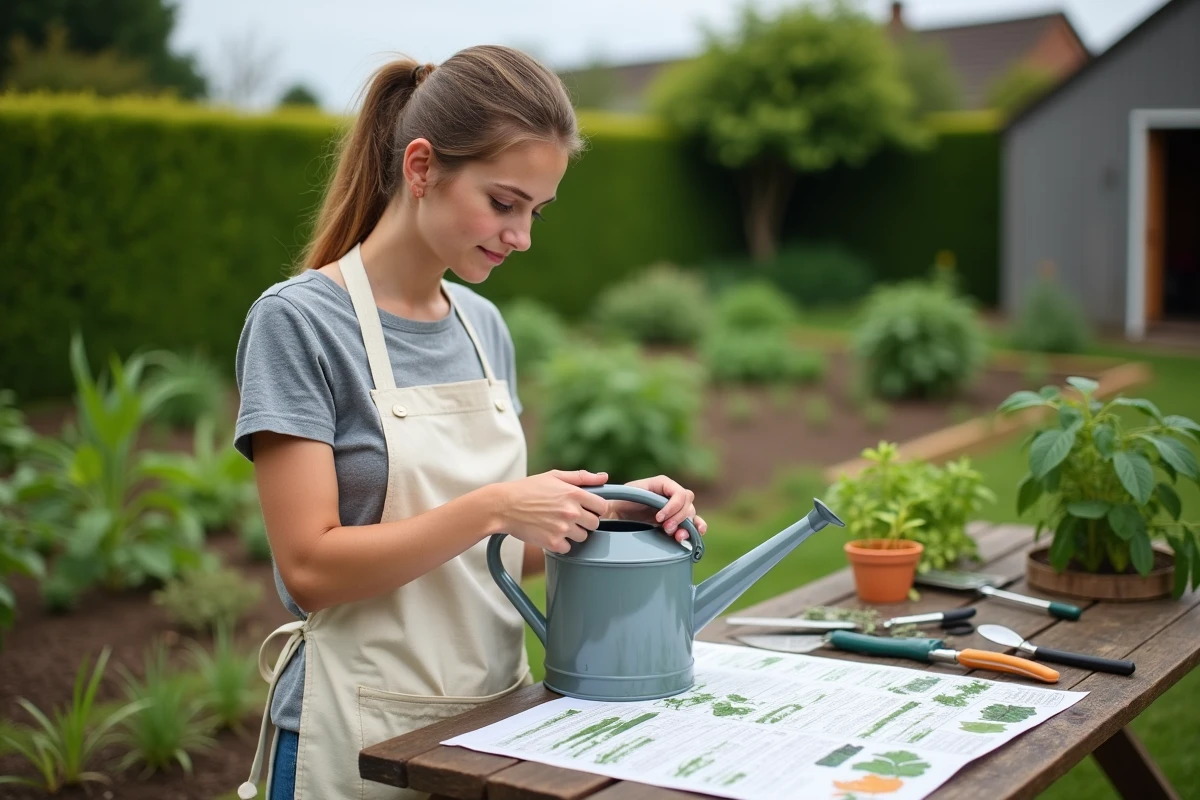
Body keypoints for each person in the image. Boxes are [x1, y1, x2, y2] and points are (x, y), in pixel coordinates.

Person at [232, 45, 707, 800]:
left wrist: (605, 516)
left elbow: (482, 555)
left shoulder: (483, 327)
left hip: (494, 731)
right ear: (421, 168)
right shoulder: (298, 325)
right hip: (354, 736)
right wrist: (496, 505)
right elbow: (311, 570)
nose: (521, 236)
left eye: (535, 211)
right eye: (503, 202)